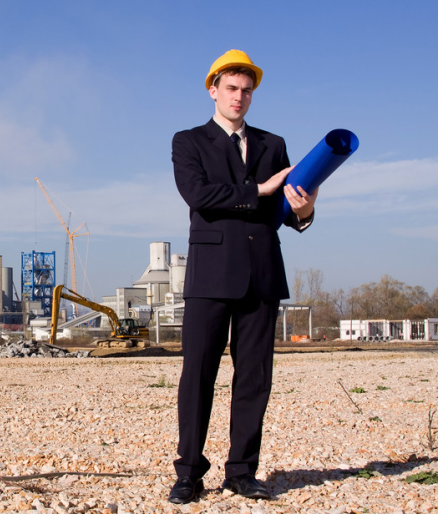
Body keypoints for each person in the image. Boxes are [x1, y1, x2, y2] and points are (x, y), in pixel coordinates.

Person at [168, 49, 318, 504]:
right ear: (213, 89)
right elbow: (199, 195)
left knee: (254, 377)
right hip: (211, 275)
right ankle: (189, 473)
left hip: (262, 274)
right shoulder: (188, 141)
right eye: (231, 88)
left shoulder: (273, 144)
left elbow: (284, 210)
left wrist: (304, 211)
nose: (239, 97)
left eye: (246, 90)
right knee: (198, 375)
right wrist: (260, 189)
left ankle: (242, 471)